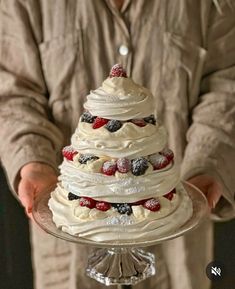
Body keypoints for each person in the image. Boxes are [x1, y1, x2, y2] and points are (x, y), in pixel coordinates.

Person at [0, 0, 235, 288]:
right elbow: (15, 91)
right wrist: (33, 160)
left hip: (177, 228)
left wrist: (209, 161)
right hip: (70, 236)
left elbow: (226, 85)